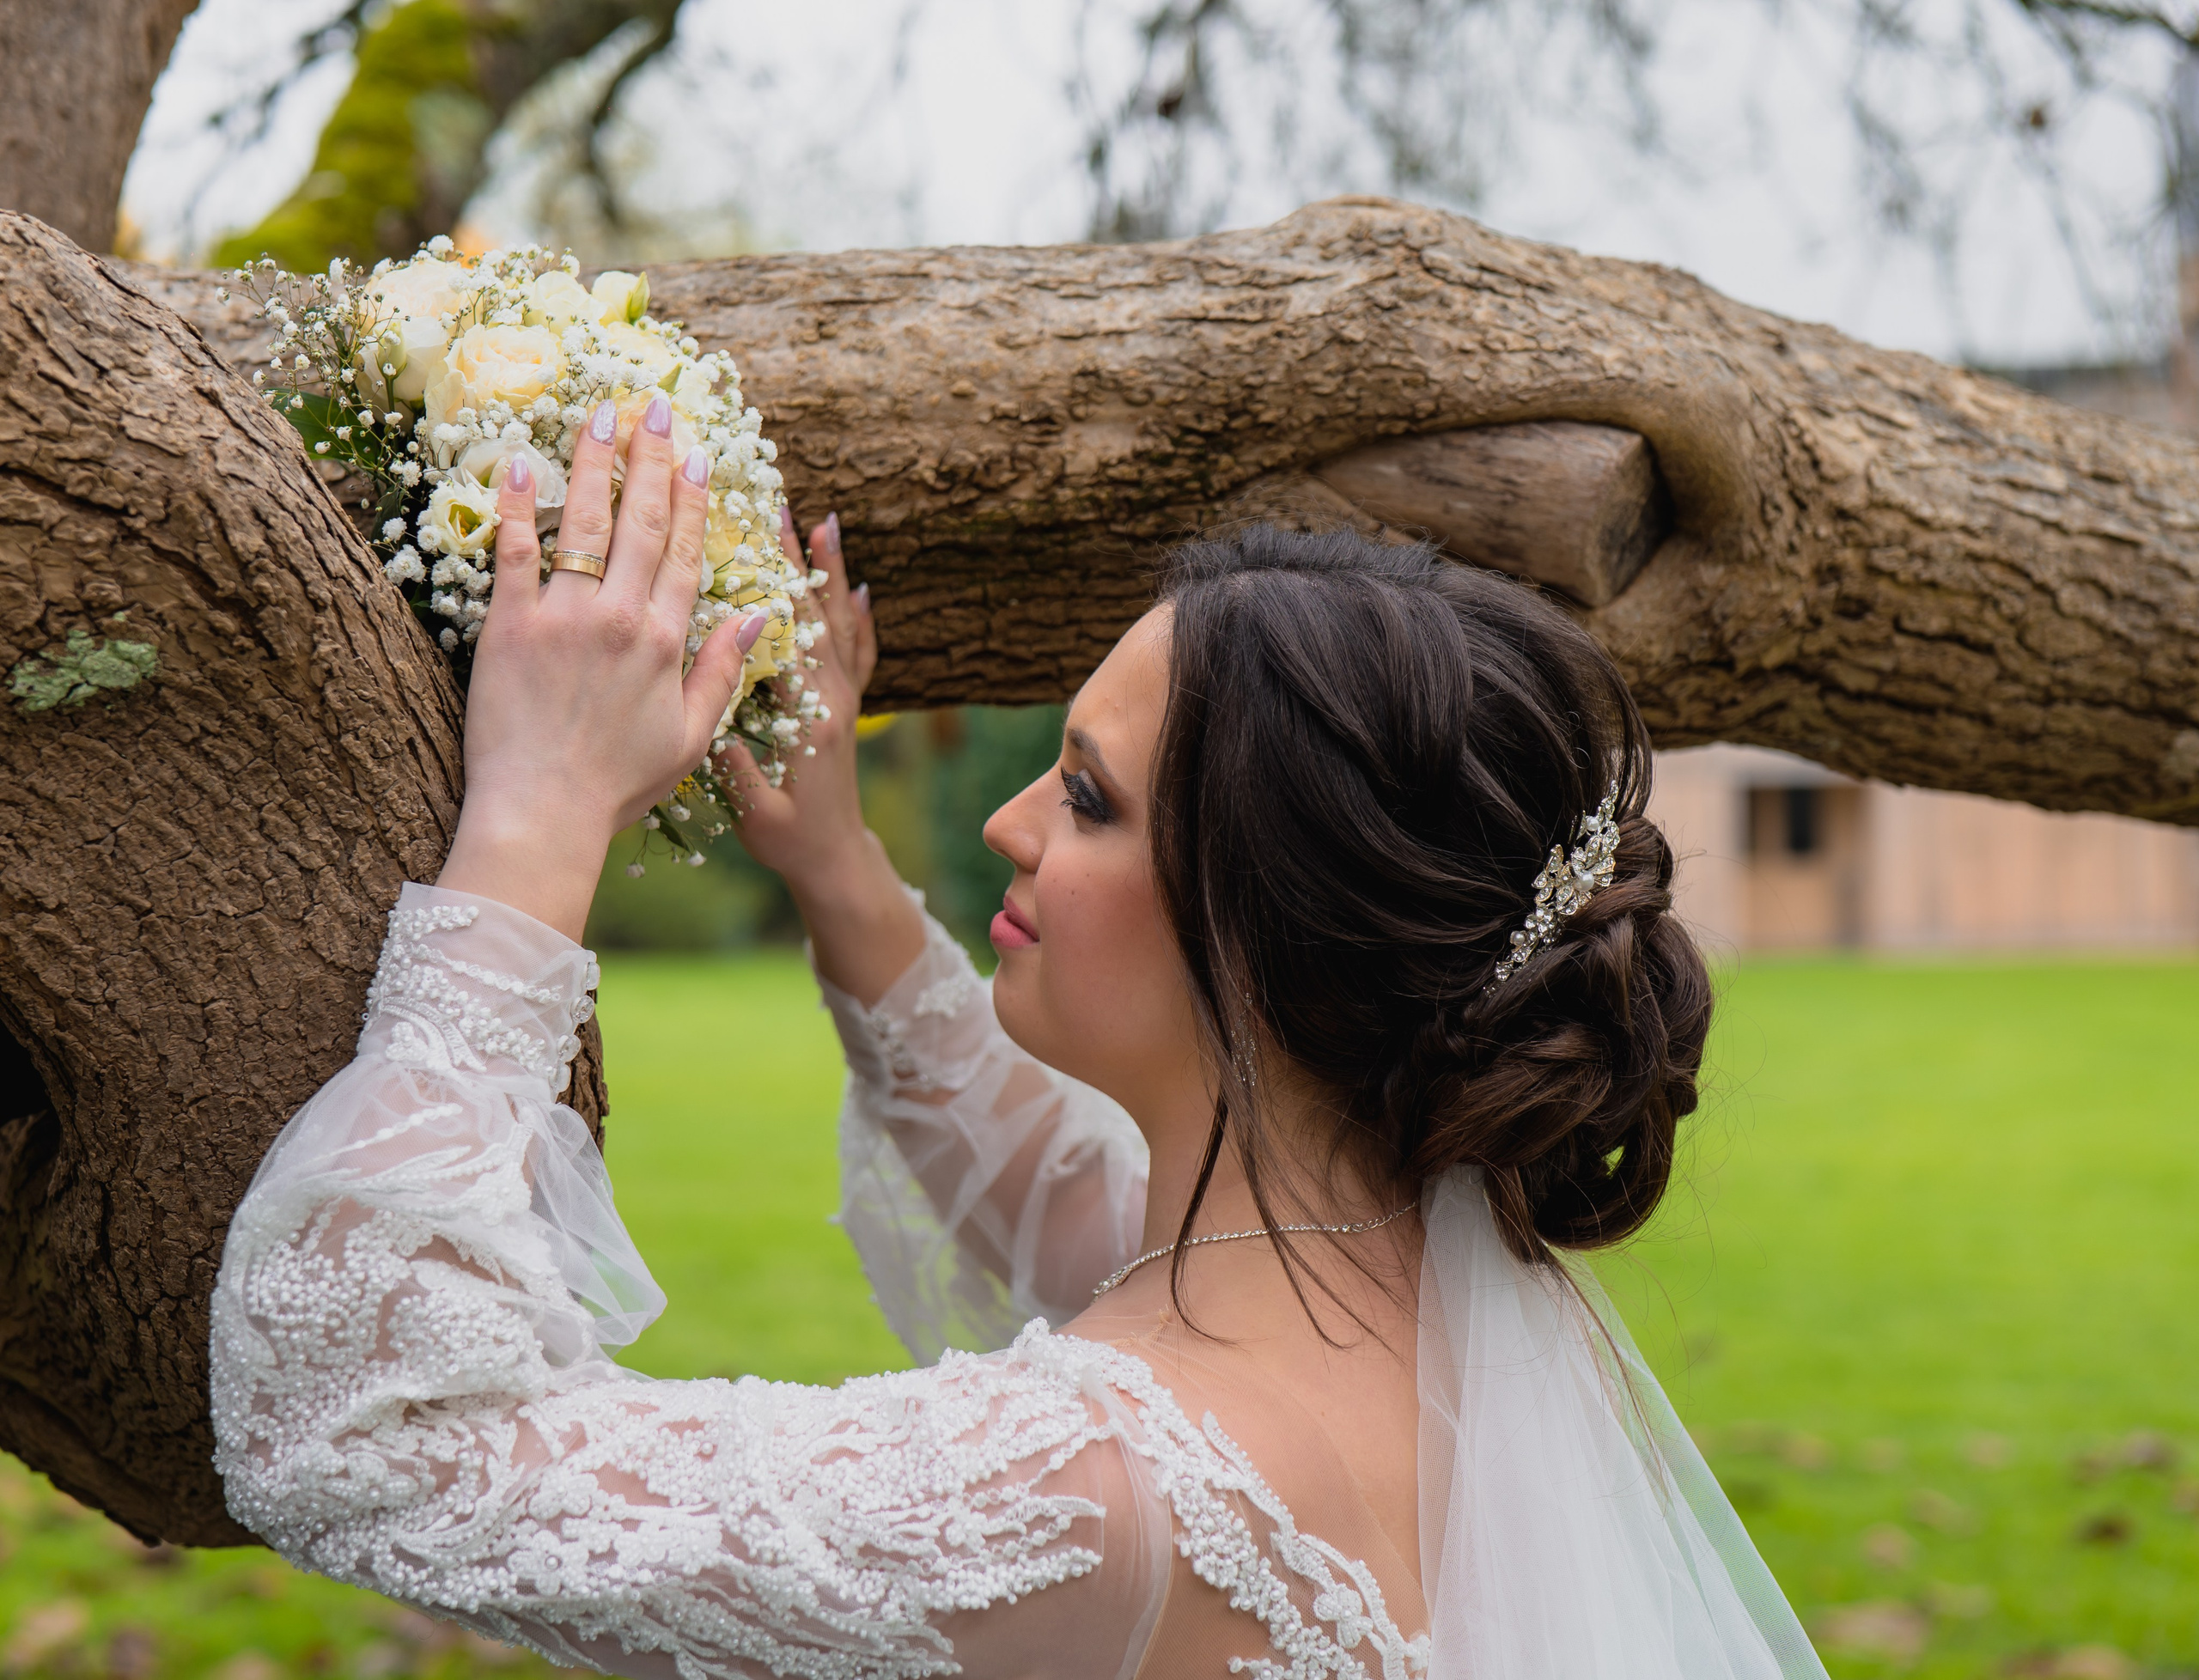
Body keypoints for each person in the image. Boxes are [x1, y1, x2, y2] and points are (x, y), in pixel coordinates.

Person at [209, 391, 1830, 1679]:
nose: (1003, 821)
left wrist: (540, 814)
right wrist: (838, 867)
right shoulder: (1443, 1322)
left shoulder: (1102, 1492)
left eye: (1089, 797)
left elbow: (374, 1444)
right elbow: (1064, 1208)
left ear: (1269, 929)